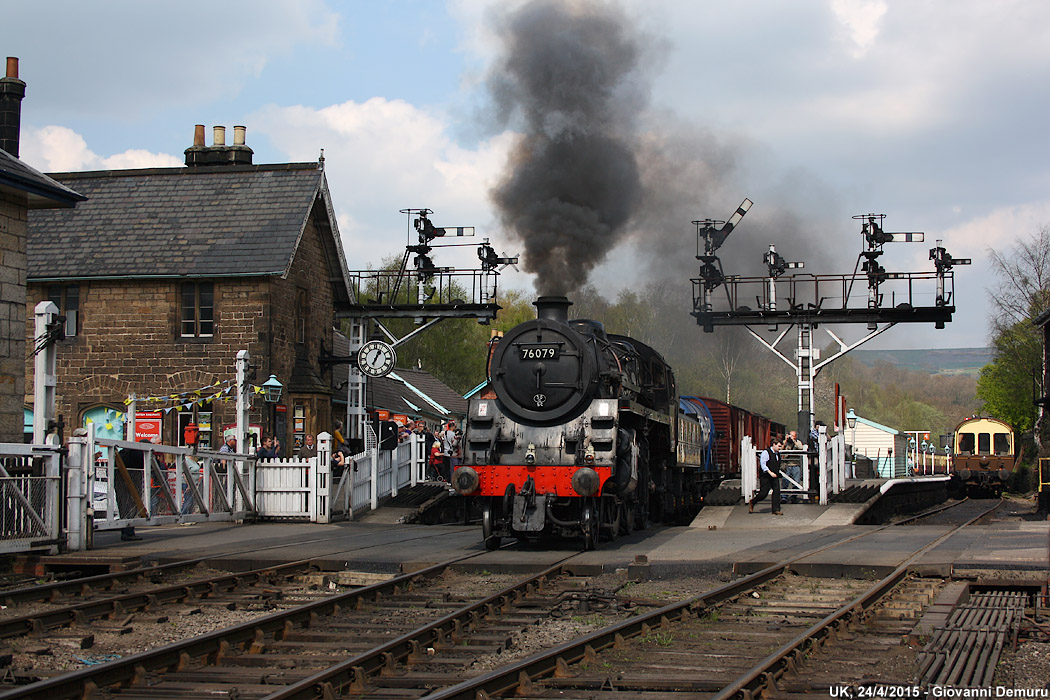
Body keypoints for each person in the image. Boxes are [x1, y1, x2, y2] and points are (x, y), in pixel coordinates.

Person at [749, 438, 784, 515]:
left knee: (777, 491)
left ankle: (776, 509)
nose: (780, 448)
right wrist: (770, 472)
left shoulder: (777, 454)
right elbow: (763, 464)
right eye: (779, 446)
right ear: (774, 444)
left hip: (774, 476)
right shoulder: (766, 452)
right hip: (766, 476)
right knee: (763, 493)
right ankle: (753, 501)